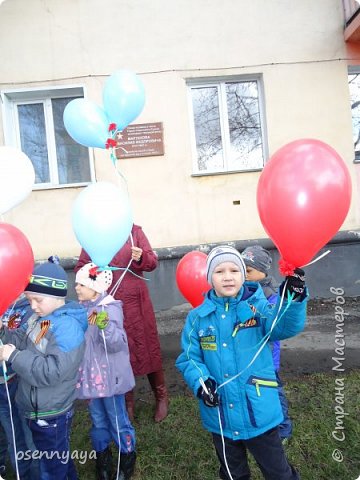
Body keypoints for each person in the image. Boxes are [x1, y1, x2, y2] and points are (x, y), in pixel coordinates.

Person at [176, 245, 307, 480]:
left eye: (234, 270)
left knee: (278, 472)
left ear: (243, 275)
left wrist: (293, 300)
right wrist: (201, 381)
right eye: (219, 271)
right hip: (220, 417)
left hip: (259, 413)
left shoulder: (258, 308)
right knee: (232, 474)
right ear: (209, 278)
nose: (227, 277)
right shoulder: (198, 317)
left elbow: (285, 326)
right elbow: (189, 357)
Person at [0, 256, 88, 480]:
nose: (32, 306)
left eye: (37, 300)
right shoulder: (40, 317)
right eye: (29, 299)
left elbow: (52, 371)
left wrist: (14, 356)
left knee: (51, 468)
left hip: (52, 413)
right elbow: (21, 338)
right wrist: (3, 333)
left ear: (56, 296)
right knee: (57, 460)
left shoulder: (67, 328)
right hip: (38, 408)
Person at [75, 224, 168, 423]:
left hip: (137, 301)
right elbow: (81, 268)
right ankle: (127, 402)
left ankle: (161, 396)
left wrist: (141, 257)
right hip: (109, 303)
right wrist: (94, 272)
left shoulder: (134, 231)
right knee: (118, 352)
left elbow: (152, 263)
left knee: (148, 348)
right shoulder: (93, 233)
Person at [75, 262, 136, 480]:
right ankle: (103, 457)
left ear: (97, 286)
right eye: (76, 284)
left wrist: (106, 327)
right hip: (91, 378)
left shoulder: (110, 309)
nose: (77, 288)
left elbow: (117, 343)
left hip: (110, 380)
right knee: (98, 420)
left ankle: (126, 455)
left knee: (116, 418)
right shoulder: (80, 310)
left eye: (81, 284)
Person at [241, 245, 292, 442]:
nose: (244, 275)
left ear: (263, 271)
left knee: (274, 393)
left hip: (268, 359)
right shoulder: (242, 291)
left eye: (249, 271)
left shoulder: (271, 296)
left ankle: (283, 428)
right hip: (249, 356)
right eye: (241, 270)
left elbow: (274, 328)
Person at [0, 295, 40, 480]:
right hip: (2, 388)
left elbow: (28, 344)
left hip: (20, 381)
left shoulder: (31, 309)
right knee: (13, 436)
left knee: (30, 435)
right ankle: (22, 475)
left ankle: (38, 473)